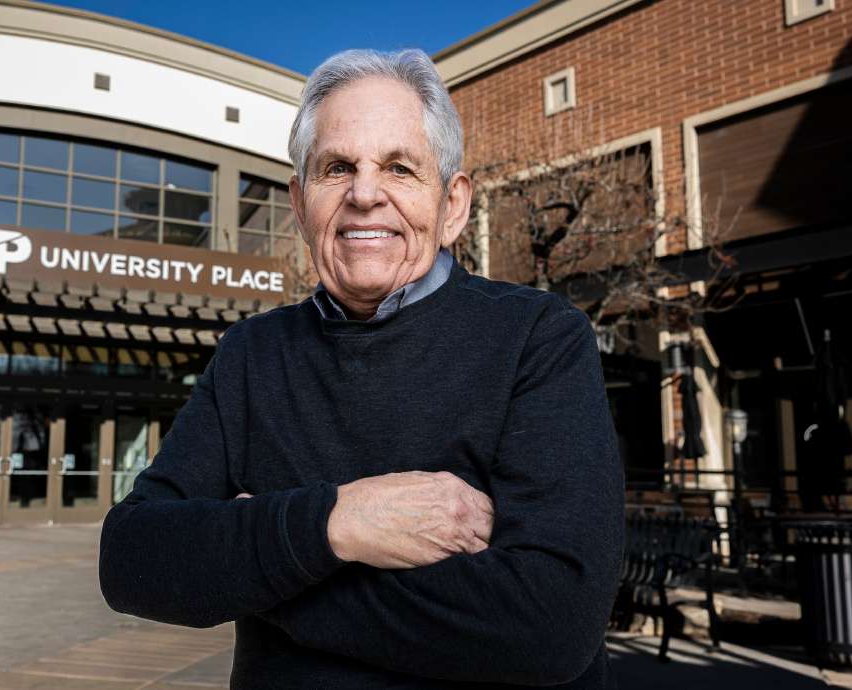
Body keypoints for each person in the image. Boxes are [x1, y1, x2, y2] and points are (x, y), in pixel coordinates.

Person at [99, 48, 624, 689]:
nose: (365, 195)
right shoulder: (250, 355)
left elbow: (551, 625)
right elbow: (131, 559)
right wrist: (338, 522)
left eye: (399, 168)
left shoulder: (539, 338)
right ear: (300, 202)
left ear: (453, 204)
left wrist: (258, 561)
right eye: (337, 168)